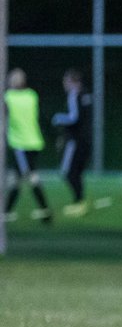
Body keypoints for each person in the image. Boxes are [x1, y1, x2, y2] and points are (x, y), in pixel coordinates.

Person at [4, 68, 53, 223]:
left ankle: (45, 211)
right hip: (34, 142)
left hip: (20, 144)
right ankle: (7, 211)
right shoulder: (32, 95)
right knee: (18, 177)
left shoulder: (9, 97)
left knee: (29, 176)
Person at [51, 69, 92, 214]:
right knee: (76, 172)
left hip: (75, 141)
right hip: (86, 140)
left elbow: (74, 117)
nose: (64, 84)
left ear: (73, 82)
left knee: (67, 172)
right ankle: (80, 202)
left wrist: (58, 118)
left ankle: (79, 202)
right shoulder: (86, 94)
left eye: (66, 81)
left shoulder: (74, 94)